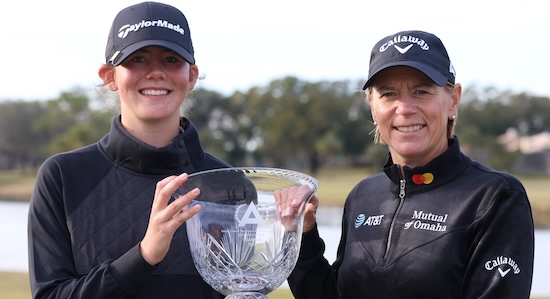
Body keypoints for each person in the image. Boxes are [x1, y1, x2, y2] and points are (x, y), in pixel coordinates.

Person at [287, 30, 535, 298]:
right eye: (389, 93)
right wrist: (303, 234)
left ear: (453, 100)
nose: (404, 108)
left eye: (421, 91)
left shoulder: (496, 198)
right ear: (372, 106)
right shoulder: (362, 196)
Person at [27, 2, 237, 298]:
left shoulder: (230, 184)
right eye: (136, 59)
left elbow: (241, 288)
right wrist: (143, 255)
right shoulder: (62, 177)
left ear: (190, 75)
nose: (155, 72)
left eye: (170, 59)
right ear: (109, 76)